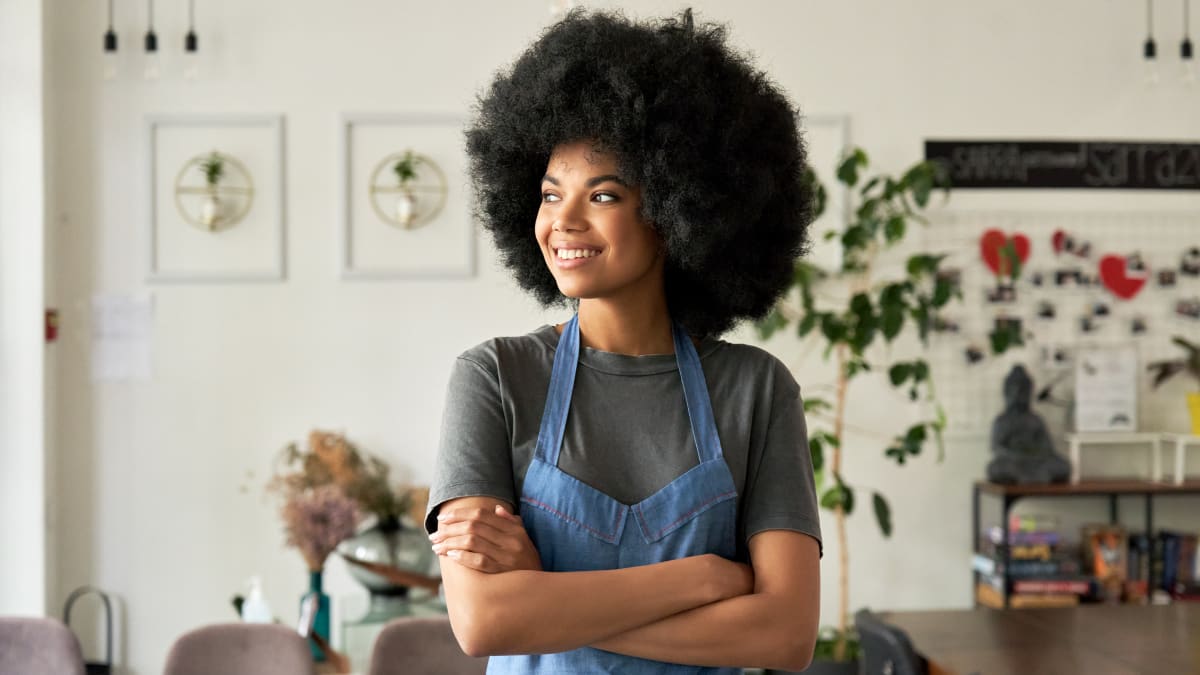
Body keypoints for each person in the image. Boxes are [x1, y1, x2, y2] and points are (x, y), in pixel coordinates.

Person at [424, 9, 822, 673]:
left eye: (602, 194)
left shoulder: (756, 389)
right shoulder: (494, 376)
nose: (564, 221)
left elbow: (785, 635)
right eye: (551, 195)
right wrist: (703, 580)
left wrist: (549, 597)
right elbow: (486, 620)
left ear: (676, 207)